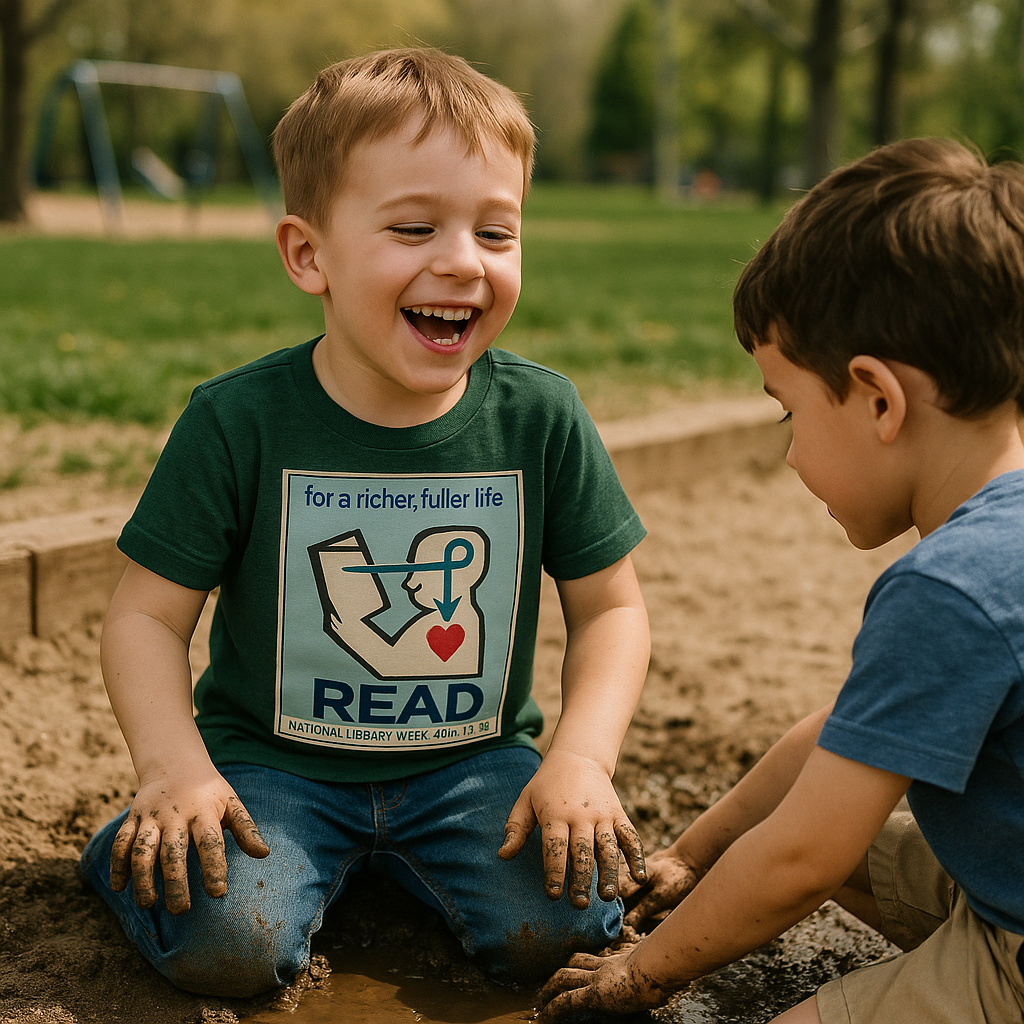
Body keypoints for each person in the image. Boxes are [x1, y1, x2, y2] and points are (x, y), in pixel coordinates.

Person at [79, 47, 650, 998]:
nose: (462, 262)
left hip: (475, 770)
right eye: (415, 226)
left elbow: (613, 610)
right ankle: (128, 849)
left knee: (567, 924)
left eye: (497, 234)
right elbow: (143, 618)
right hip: (271, 774)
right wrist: (173, 768)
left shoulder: (540, 418)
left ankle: (401, 870)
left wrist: (582, 760)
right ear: (310, 254)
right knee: (232, 943)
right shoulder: (239, 421)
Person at [538, 137, 1024, 1023]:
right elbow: (837, 741)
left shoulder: (950, 586)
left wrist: (641, 972)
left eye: (789, 410)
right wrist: (693, 854)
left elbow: (801, 857)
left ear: (879, 398)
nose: (791, 452)